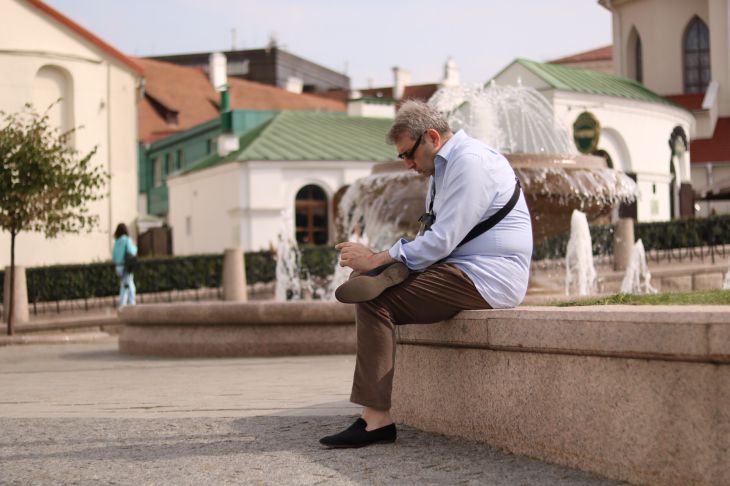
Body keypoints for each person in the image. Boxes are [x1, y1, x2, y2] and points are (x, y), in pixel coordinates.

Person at [320, 100, 533, 448]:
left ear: (432, 137)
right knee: (371, 285)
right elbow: (435, 237)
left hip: (488, 276)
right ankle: (386, 275)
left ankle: (376, 422)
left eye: (408, 155)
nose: (406, 165)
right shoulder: (443, 167)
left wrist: (376, 259)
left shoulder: (470, 163)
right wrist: (385, 261)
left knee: (375, 301)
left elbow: (443, 240)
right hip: (462, 267)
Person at [112, 223, 138, 307]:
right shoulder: (127, 240)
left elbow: (113, 257)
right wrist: (135, 248)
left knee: (127, 284)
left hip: (118, 267)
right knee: (127, 285)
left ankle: (129, 303)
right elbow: (132, 251)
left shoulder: (116, 242)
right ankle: (126, 304)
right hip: (126, 266)